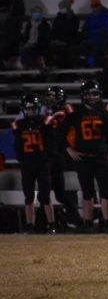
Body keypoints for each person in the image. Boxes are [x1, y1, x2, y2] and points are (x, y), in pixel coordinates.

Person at [61, 79, 108, 233]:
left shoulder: (104, 112)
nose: (93, 97)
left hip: (101, 157)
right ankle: (88, 224)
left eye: (95, 94)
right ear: (84, 96)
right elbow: (60, 133)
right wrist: (69, 149)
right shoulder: (75, 112)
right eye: (90, 94)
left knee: (106, 192)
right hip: (83, 157)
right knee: (87, 193)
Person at [13, 94, 57, 233]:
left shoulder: (45, 121)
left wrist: (47, 159)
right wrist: (22, 159)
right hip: (27, 163)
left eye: (33, 108)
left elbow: (51, 143)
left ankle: (51, 224)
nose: (31, 111)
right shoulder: (19, 125)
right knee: (28, 196)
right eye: (28, 109)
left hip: (42, 163)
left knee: (45, 195)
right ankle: (29, 225)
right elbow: (18, 146)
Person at [44, 86, 81, 230]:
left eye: (54, 96)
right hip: (57, 153)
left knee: (70, 189)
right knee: (61, 191)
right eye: (50, 96)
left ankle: (76, 219)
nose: (51, 98)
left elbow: (65, 131)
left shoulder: (67, 111)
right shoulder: (49, 112)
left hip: (68, 152)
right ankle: (72, 218)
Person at [82, 0, 108, 68]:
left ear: (100, 6)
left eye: (97, 6)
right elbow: (85, 29)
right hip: (90, 41)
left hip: (102, 41)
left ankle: (94, 68)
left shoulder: (106, 16)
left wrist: (93, 33)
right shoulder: (90, 17)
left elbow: (107, 31)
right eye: (94, 6)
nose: (95, 8)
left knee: (95, 51)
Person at [49, 0, 80, 68]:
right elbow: (54, 31)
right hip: (58, 41)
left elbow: (73, 32)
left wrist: (65, 41)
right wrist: (54, 40)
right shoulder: (58, 18)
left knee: (69, 51)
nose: (60, 9)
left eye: (62, 7)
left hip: (69, 42)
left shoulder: (74, 18)